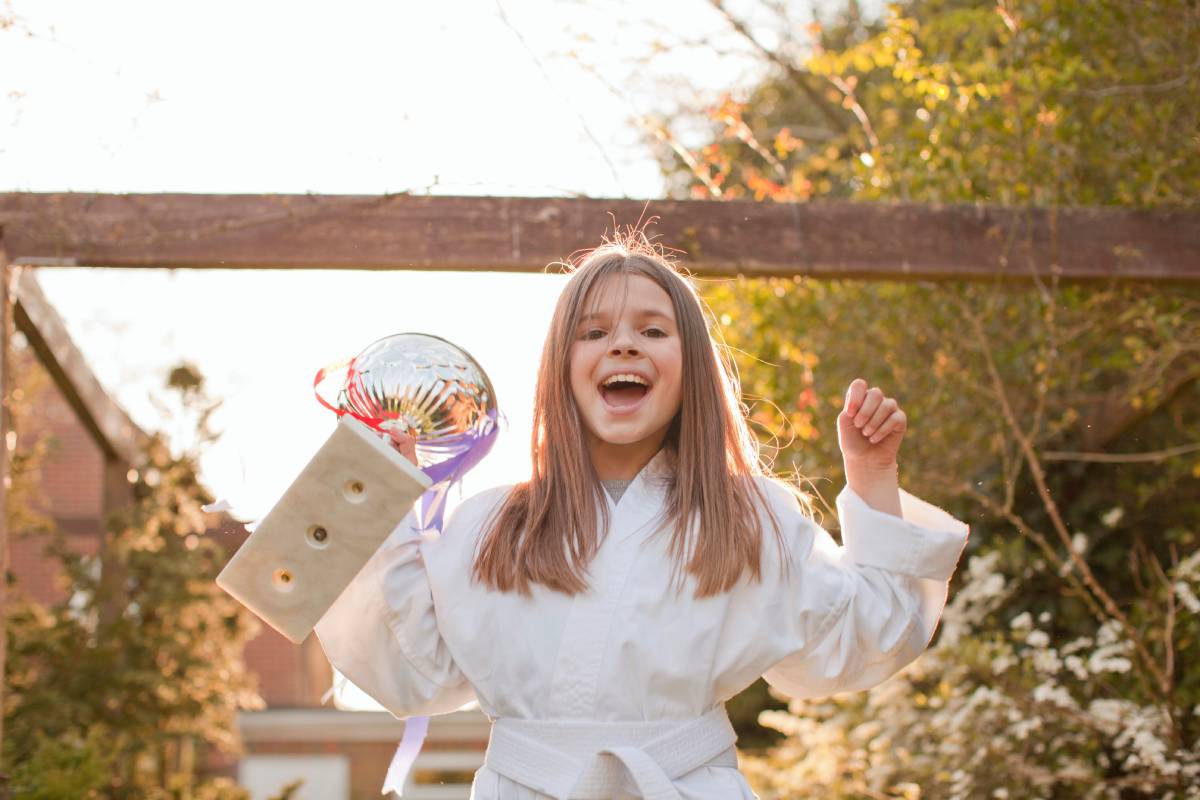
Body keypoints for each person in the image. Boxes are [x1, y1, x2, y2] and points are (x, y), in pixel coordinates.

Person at [314, 234, 970, 799]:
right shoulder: (491, 526)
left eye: (653, 331)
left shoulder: (753, 518)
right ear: (559, 371)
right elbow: (409, 668)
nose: (624, 345)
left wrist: (873, 475)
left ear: (691, 369)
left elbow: (863, 636)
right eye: (593, 332)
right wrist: (374, 488)